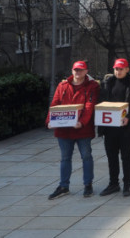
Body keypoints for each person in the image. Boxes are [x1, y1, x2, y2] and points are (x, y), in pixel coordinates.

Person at [47, 60, 100, 200]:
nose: (78, 73)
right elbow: (55, 104)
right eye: (76, 70)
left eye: (81, 70)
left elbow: (89, 106)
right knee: (65, 158)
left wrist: (81, 122)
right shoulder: (63, 85)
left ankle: (88, 184)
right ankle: (64, 186)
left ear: (86, 71)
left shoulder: (92, 86)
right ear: (72, 71)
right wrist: (49, 121)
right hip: (64, 130)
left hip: (83, 130)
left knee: (86, 156)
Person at [97, 58, 130, 197]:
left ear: (127, 69)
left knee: (126, 156)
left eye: (121, 69)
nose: (118, 71)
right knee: (111, 156)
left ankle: (127, 184)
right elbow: (101, 103)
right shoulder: (107, 83)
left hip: (126, 127)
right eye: (116, 69)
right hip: (110, 127)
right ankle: (113, 183)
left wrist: (129, 118)